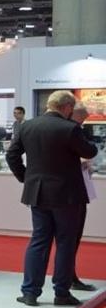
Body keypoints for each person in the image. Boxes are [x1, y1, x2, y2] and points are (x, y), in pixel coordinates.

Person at [6, 90, 98, 306]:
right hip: (67, 195)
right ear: (66, 107)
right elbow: (90, 151)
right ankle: (61, 292)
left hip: (37, 192)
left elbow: (12, 155)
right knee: (65, 243)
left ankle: (30, 292)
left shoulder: (27, 126)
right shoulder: (70, 129)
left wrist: (26, 177)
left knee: (39, 240)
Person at [69, 103, 97, 293]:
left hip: (66, 192)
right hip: (71, 194)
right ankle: (67, 280)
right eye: (83, 118)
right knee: (69, 239)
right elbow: (88, 151)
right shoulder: (70, 131)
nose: (84, 122)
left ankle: (67, 278)